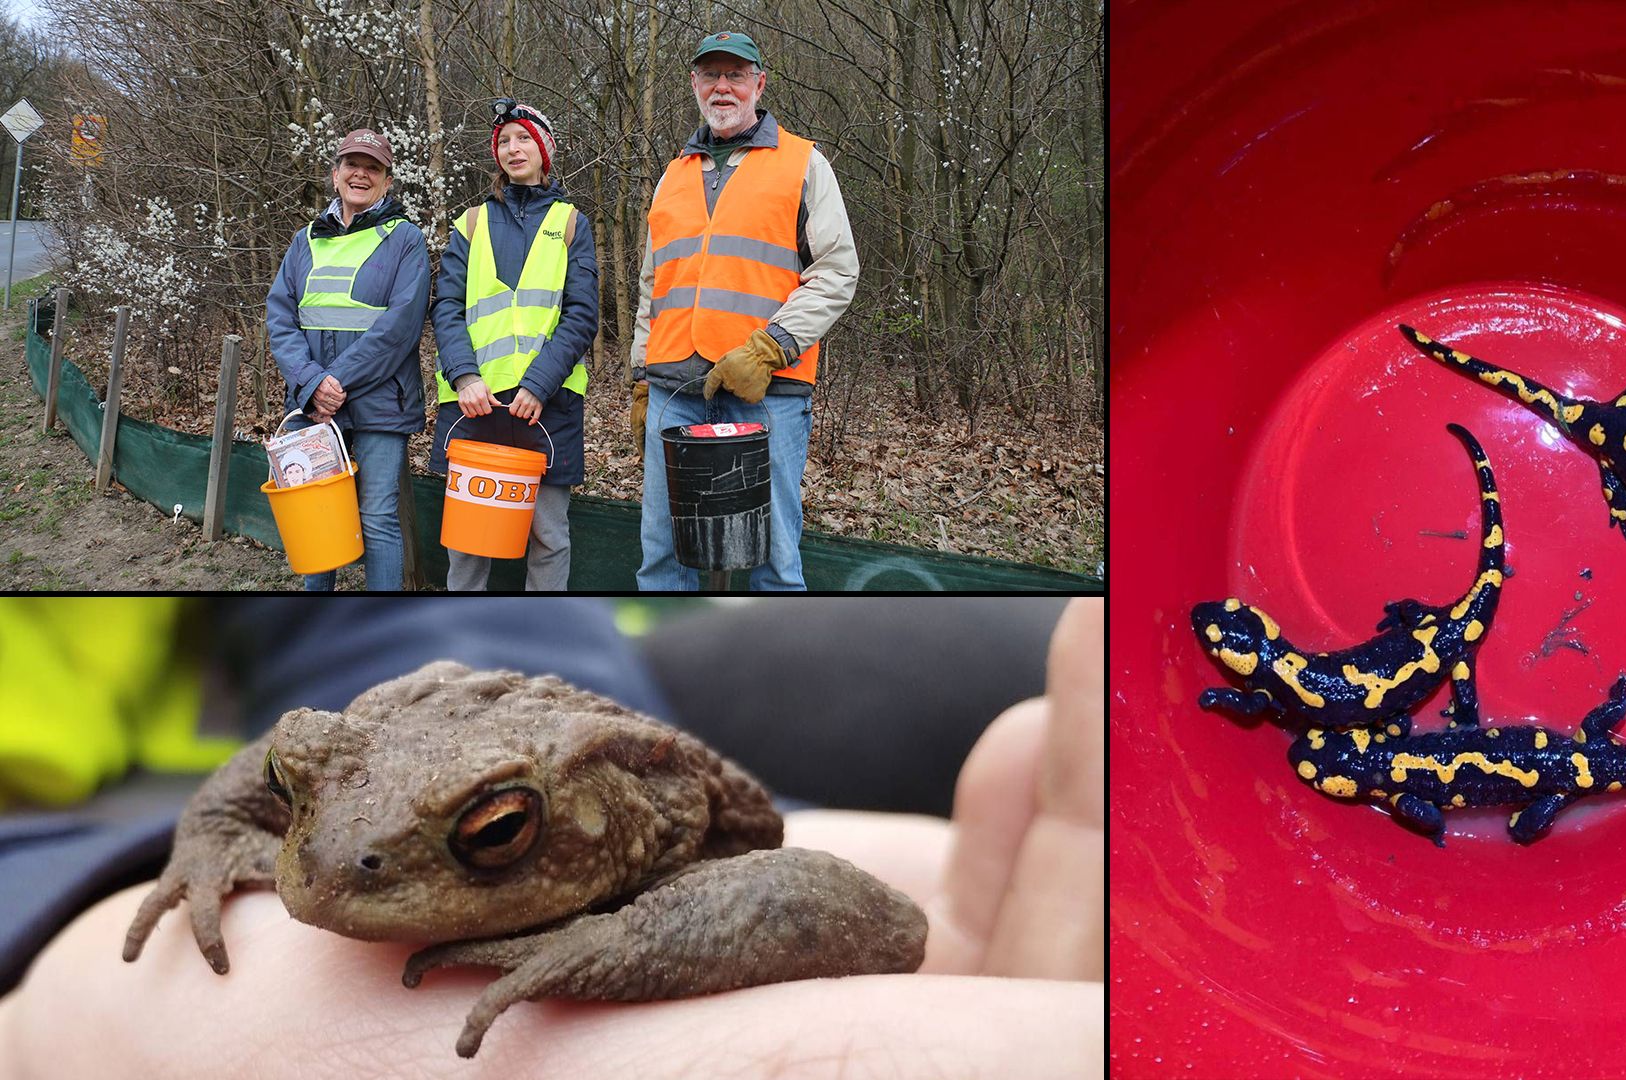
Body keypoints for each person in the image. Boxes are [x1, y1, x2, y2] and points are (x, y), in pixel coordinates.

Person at [0, 598, 1102, 1076]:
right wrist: (206, 836)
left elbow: (863, 912)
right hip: (57, 832)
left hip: (575, 755)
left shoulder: (637, 825)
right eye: (298, 792)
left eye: (491, 833)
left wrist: (613, 946)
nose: (334, 859)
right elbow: (308, 753)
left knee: (982, 653)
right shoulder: (344, 808)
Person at [631, 31, 860, 591]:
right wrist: (641, 378)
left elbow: (837, 271)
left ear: (759, 83)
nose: (723, 87)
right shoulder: (672, 175)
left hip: (769, 393)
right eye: (711, 75)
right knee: (663, 556)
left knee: (774, 561)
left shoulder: (804, 163)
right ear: (694, 85)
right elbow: (652, 288)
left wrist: (771, 346)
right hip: (675, 391)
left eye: (736, 75)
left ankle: (775, 675)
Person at [430, 100, 598, 591]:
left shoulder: (571, 224)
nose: (513, 148)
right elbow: (447, 307)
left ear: (543, 149)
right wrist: (463, 376)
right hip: (473, 404)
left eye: (523, 137)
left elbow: (582, 313)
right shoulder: (472, 223)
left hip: (548, 405)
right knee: (467, 538)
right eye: (504, 141)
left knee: (548, 536)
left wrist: (539, 384)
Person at [264, 129, 430, 591]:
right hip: (312, 402)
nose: (361, 174)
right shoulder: (304, 241)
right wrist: (312, 381)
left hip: (379, 403)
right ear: (334, 175)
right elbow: (281, 317)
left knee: (377, 519)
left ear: (388, 181)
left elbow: (400, 327)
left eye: (373, 167)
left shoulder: (406, 239)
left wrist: (333, 380)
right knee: (317, 519)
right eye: (351, 165)